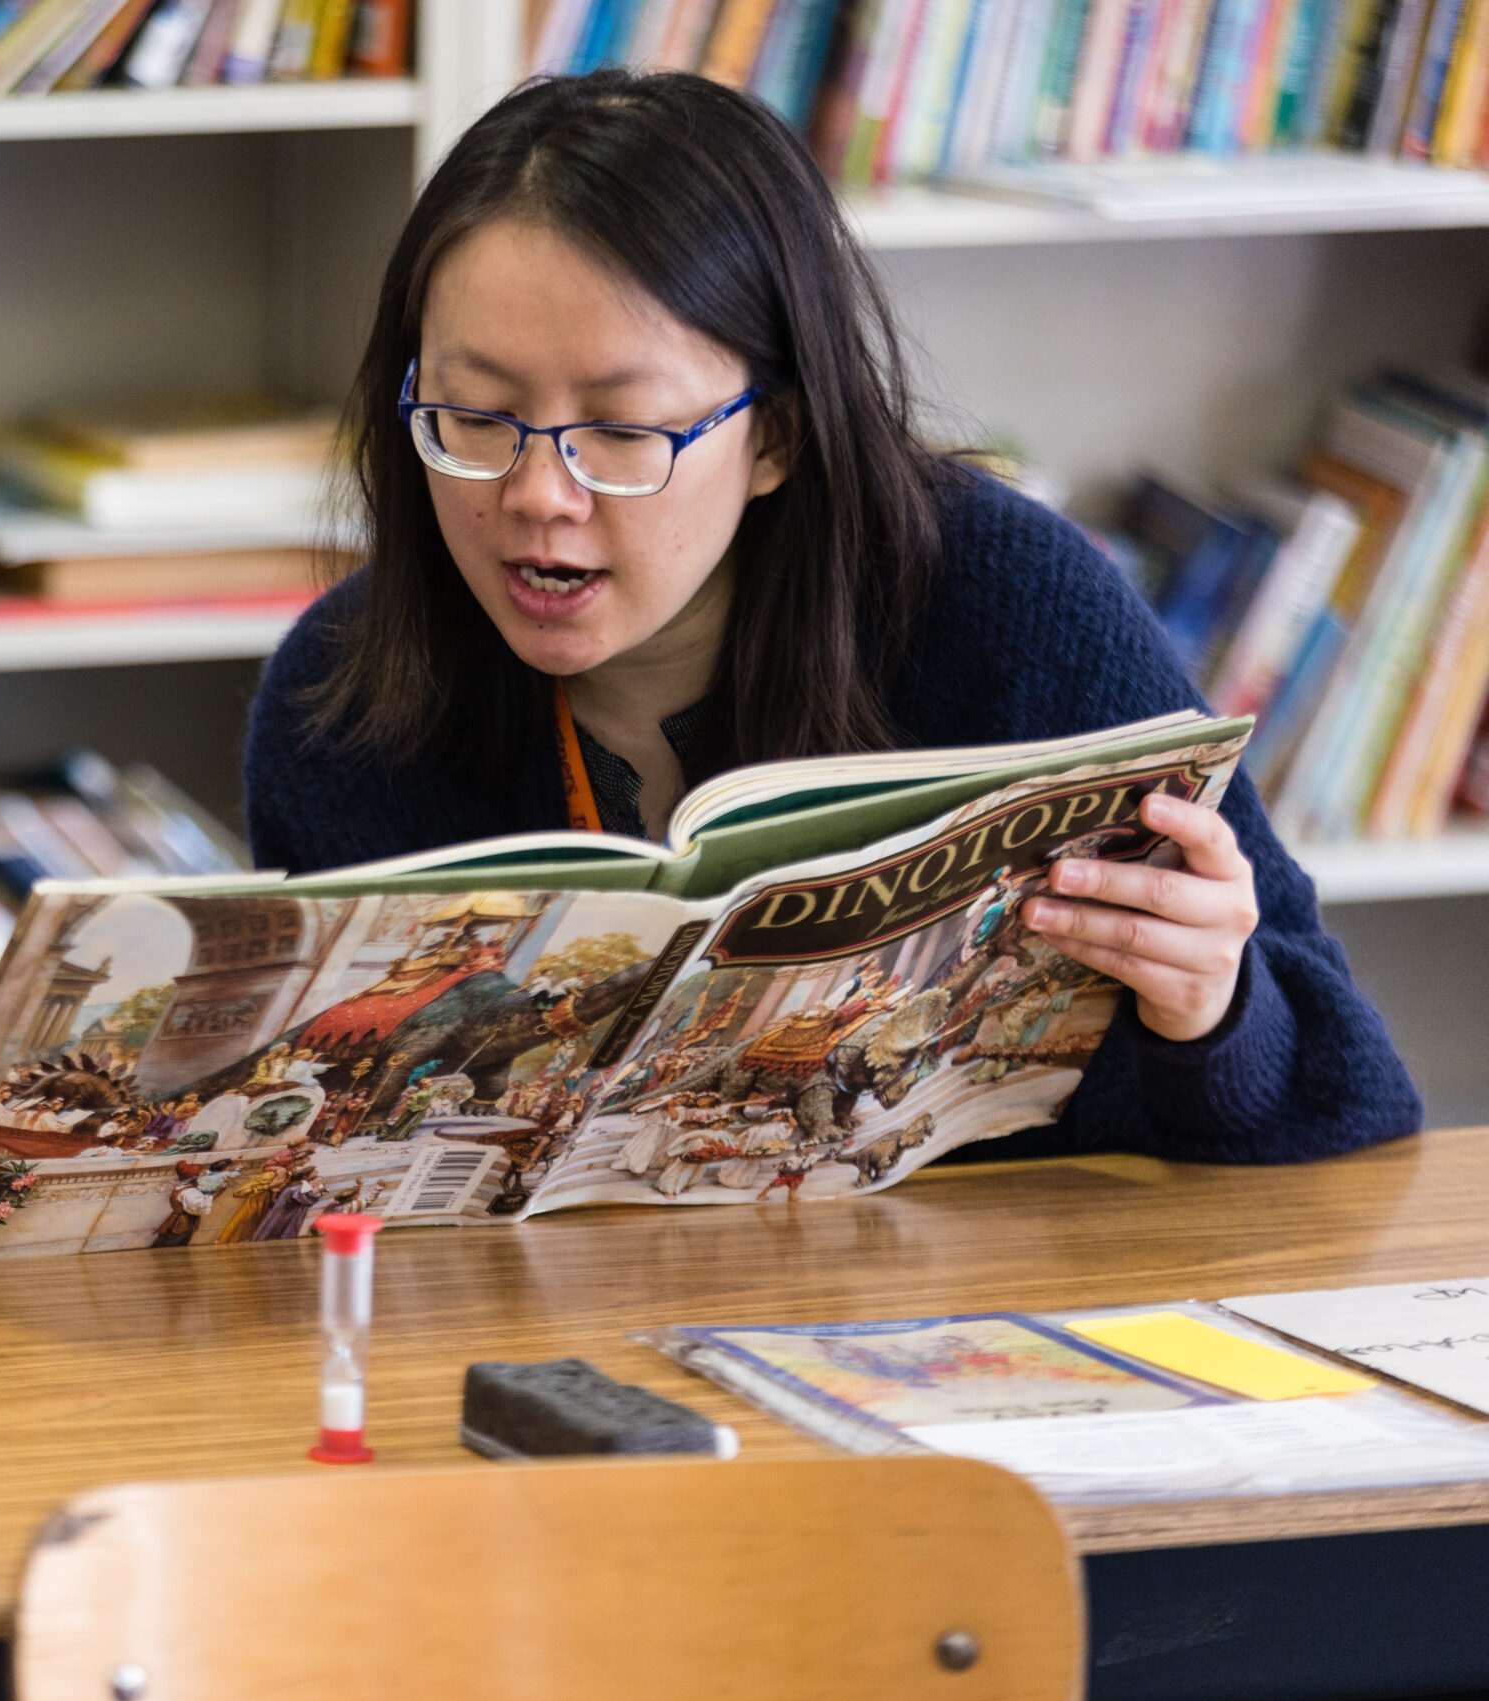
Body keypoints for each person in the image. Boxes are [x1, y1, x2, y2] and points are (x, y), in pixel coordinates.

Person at [243, 70, 1418, 1165]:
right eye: (476, 414)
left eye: (621, 431)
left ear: (778, 438)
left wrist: (1210, 1009)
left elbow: (1355, 1102)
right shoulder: (338, 702)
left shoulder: (1006, 604)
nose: (537, 495)